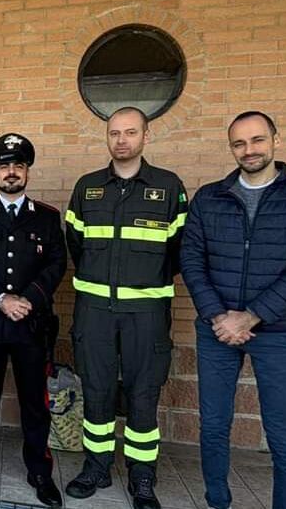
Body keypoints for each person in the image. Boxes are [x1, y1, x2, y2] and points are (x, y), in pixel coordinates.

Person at [181, 111, 286, 509]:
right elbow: (192, 260)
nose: (249, 150)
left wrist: (250, 316)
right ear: (231, 147)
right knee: (214, 426)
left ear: (275, 141)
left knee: (283, 434)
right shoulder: (209, 197)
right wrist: (219, 316)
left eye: (257, 140)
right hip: (216, 331)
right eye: (239, 143)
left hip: (278, 332)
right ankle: (217, 500)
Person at [63, 107, 187, 509]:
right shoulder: (88, 188)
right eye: (114, 133)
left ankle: (142, 476)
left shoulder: (168, 188)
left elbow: (179, 251)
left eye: (130, 132)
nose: (121, 140)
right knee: (96, 391)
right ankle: (96, 466)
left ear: (145, 137)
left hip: (146, 316)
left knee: (142, 394)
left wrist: (144, 283)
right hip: (94, 311)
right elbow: (75, 244)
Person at [0, 134, 66, 507]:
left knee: (34, 402)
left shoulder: (49, 218)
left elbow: (56, 265)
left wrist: (28, 300)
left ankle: (39, 469)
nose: (11, 172)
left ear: (27, 171)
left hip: (31, 326)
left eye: (18, 166)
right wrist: (2, 298)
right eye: (5, 166)